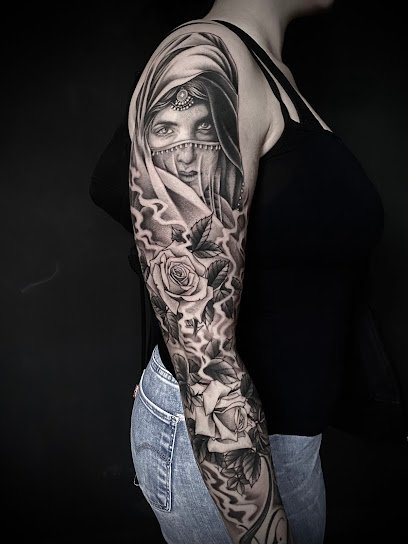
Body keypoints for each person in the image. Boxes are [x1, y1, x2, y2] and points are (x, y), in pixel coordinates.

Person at [90, 1, 386, 542]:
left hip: (281, 441)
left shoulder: (266, 71)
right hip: (231, 454)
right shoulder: (205, 61)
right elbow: (201, 347)